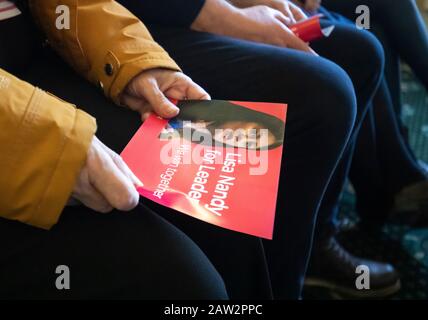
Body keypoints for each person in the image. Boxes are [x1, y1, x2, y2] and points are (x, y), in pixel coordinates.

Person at [0, 0, 354, 300]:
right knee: (191, 283)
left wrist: (132, 59)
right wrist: (46, 144)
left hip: (36, 52)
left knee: (227, 212)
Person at [119, 0, 401, 298]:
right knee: (325, 93)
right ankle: (279, 281)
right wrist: (219, 14)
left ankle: (316, 240)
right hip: (139, 19)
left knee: (359, 51)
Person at [159, 100, 285, 150]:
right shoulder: (202, 102)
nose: (240, 139)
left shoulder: (197, 148)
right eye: (254, 133)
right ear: (248, 118)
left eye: (248, 144)